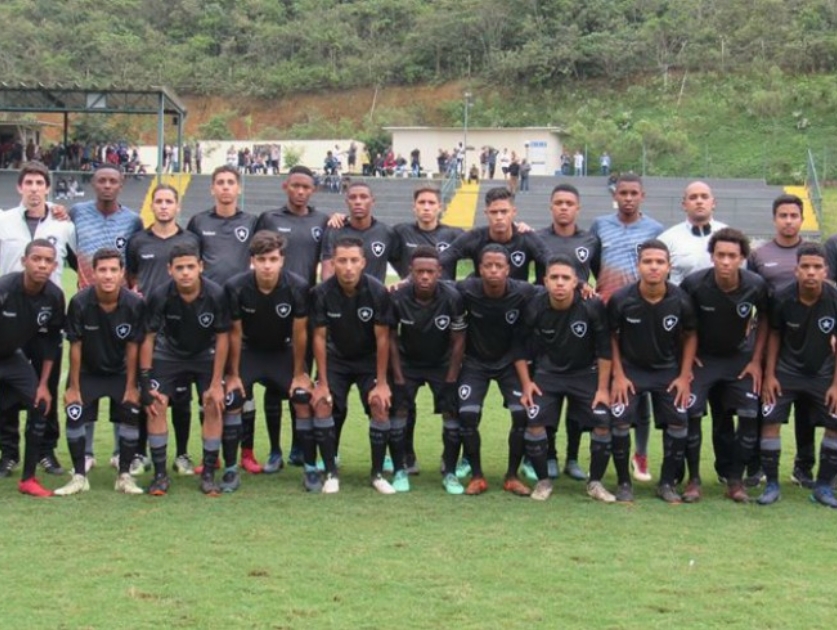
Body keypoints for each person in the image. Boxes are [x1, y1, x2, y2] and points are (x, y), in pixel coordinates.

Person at [680, 228, 769, 503]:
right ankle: (693, 480)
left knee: (748, 415)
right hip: (703, 359)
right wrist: (686, 359)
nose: (726, 262)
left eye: (732, 256)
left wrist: (755, 359)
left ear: (742, 257)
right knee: (691, 415)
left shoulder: (755, 284)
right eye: (721, 255)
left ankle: (735, 481)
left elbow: (766, 320)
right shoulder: (694, 284)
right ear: (712, 256)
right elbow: (681, 321)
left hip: (739, 360)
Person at [224, 231, 317, 492]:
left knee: (301, 397)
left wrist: (300, 372)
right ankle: (231, 470)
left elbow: (300, 333)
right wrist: (232, 374)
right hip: (250, 351)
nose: (267, 265)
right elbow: (233, 332)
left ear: (282, 260)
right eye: (262, 259)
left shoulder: (298, 286)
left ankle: (310, 469)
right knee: (232, 400)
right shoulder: (236, 286)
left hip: (282, 352)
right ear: (252, 260)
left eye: (273, 259)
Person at [0, 162, 76, 477]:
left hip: (47, 315)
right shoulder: (3, 221)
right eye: (28, 182)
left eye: (39, 183)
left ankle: (46, 451)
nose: (34, 188)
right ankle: (9, 452)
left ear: (47, 188)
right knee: (6, 390)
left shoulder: (63, 224)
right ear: (20, 187)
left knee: (45, 385)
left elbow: (78, 263)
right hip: (9, 315)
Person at [517, 255, 614, 502]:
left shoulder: (592, 306)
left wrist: (603, 389)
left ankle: (595, 484)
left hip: (585, 374)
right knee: (534, 422)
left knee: (603, 424)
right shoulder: (534, 306)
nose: (560, 283)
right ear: (545, 281)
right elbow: (518, 348)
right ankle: (543, 482)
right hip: (547, 375)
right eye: (555, 278)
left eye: (565, 278)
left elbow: (604, 349)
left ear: (575, 282)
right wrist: (527, 384)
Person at [608, 239, 697, 503]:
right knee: (620, 421)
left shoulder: (681, 300)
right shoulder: (621, 299)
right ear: (638, 266)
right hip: (630, 371)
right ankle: (624, 483)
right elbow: (611, 336)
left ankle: (667, 483)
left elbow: (690, 335)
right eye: (648, 261)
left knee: (679, 423)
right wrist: (619, 375)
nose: (654, 267)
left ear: (669, 267)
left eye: (660, 262)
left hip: (667, 371)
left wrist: (683, 375)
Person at [187, 166, 263, 473]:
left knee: (243, 387)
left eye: (231, 182)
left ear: (239, 188)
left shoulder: (252, 222)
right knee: (209, 386)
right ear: (212, 189)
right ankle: (212, 451)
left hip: (243, 311)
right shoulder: (198, 222)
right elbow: (192, 262)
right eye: (220, 182)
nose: (226, 187)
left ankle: (247, 451)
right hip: (209, 309)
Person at [140, 243, 231, 496]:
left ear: (201, 267)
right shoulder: (160, 295)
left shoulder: (216, 294)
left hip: (205, 355)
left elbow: (223, 337)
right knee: (156, 406)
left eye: (191, 266)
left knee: (212, 404)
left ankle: (209, 475)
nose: (186, 272)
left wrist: (215, 383)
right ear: (170, 270)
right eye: (179, 268)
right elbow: (148, 337)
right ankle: (160, 476)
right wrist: (145, 381)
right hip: (169, 354)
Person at [254, 166, 330, 468]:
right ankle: (274, 449)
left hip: (306, 308)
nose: (300, 191)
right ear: (286, 186)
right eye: (295, 186)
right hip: (273, 307)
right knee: (275, 385)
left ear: (313, 190)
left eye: (306, 187)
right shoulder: (270, 219)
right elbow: (258, 255)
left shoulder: (323, 221)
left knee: (301, 380)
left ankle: (299, 446)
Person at [69, 163, 143, 471]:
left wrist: (130, 286)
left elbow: (135, 258)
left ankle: (118, 451)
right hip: (87, 304)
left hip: (120, 306)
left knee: (123, 370)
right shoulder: (74, 213)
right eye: (102, 180)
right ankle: (85, 453)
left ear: (121, 184)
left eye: (113, 180)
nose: (107, 185)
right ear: (93, 183)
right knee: (85, 371)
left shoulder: (133, 220)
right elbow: (69, 252)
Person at [590, 174, 664, 482]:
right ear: (615, 195)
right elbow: (594, 262)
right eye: (623, 193)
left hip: (639, 315)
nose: (629, 198)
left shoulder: (655, 229)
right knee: (598, 385)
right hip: (606, 311)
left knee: (640, 390)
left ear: (642, 196)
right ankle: (589, 452)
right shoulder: (599, 225)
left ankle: (641, 454)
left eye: (634, 193)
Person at [309, 236, 395, 494]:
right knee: (323, 404)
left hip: (368, 360)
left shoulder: (378, 291)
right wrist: (322, 383)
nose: (348, 267)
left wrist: (381, 383)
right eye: (342, 261)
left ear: (363, 263)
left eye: (354, 261)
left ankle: (378, 474)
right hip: (336, 360)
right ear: (333, 263)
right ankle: (330, 473)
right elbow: (319, 338)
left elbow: (383, 339)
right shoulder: (321, 293)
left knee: (380, 404)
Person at [57, 248, 146, 496]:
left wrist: (131, 385)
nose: (108, 275)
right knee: (74, 414)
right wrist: (74, 387)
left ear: (122, 274)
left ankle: (124, 476)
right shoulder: (80, 302)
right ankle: (78, 476)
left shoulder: (134, 303)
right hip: (88, 372)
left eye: (113, 270)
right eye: (102, 270)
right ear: (93, 273)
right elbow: (75, 345)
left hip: (120, 373)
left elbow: (133, 347)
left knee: (130, 414)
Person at [125, 185, 200, 476]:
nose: (164, 206)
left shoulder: (190, 240)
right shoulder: (138, 241)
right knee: (150, 391)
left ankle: (182, 454)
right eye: (159, 201)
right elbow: (132, 278)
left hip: (183, 325)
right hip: (149, 326)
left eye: (169, 201)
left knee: (182, 396)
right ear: (151, 206)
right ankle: (140, 454)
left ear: (178, 207)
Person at [455, 244, 537, 495]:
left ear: (508, 269)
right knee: (467, 415)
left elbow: (555, 290)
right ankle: (477, 476)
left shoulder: (523, 291)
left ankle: (512, 476)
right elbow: (438, 286)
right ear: (479, 269)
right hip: (474, 363)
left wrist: (582, 286)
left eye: (498, 266)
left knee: (522, 414)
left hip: (509, 362)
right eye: (487, 266)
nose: (493, 270)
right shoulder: (466, 289)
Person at [532, 184, 600, 481]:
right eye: (558, 202)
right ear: (551, 207)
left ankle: (573, 457)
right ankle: (549, 456)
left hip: (579, 325)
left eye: (569, 203)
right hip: (546, 323)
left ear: (578, 208)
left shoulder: (590, 239)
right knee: (548, 398)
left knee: (577, 404)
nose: (563, 207)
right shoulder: (536, 238)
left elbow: (597, 276)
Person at [760, 242, 837, 508]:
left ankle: (824, 486)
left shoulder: (835, 297)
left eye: (817, 267)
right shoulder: (782, 297)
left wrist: (836, 384)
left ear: (825, 270)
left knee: (835, 424)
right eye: (806, 267)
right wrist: (769, 375)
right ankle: (771, 484)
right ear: (796, 271)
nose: (811, 273)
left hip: (823, 372)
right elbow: (774, 334)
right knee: (770, 421)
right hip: (786, 371)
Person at [749, 194, 815, 489]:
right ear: (775, 219)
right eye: (783, 215)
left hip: (811, 340)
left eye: (794, 215)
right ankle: (760, 467)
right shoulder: (760, 254)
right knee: (767, 401)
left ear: (802, 219)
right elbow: (748, 293)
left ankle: (803, 467)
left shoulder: (814, 253)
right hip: (773, 336)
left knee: (807, 406)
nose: (789, 221)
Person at [389, 246, 466, 494]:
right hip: (408, 362)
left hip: (441, 364)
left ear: (439, 272)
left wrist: (452, 377)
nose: (424, 276)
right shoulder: (398, 297)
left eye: (430, 272)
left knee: (452, 414)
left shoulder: (452, 297)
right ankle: (401, 468)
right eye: (419, 271)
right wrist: (398, 377)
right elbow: (390, 338)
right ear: (410, 271)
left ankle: (451, 471)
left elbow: (458, 340)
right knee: (399, 411)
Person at [0, 239, 65, 497]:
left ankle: (28, 479)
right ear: (24, 261)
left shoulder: (54, 296)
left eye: (48, 260)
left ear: (54, 266)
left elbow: (51, 340)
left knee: (40, 404)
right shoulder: (5, 288)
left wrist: (43, 385)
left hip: (10, 357)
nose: (41, 265)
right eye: (36, 259)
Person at [440, 187, 549, 282]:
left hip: (517, 302)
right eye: (494, 212)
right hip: (482, 300)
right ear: (486, 213)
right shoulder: (475, 237)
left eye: (504, 211)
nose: (499, 217)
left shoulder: (526, 237)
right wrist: (450, 288)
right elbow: (444, 257)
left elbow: (551, 261)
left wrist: (536, 291)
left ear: (513, 212)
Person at [320, 182, 402, 282]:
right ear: (347, 202)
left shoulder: (386, 233)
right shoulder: (334, 230)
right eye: (353, 197)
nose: (358, 202)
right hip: (342, 297)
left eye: (363, 197)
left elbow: (404, 271)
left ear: (372, 201)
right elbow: (327, 274)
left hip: (374, 297)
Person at [659, 181, 728, 285]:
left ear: (713, 203)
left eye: (704, 197)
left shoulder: (729, 236)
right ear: (684, 205)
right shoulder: (667, 239)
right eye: (693, 197)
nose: (699, 201)